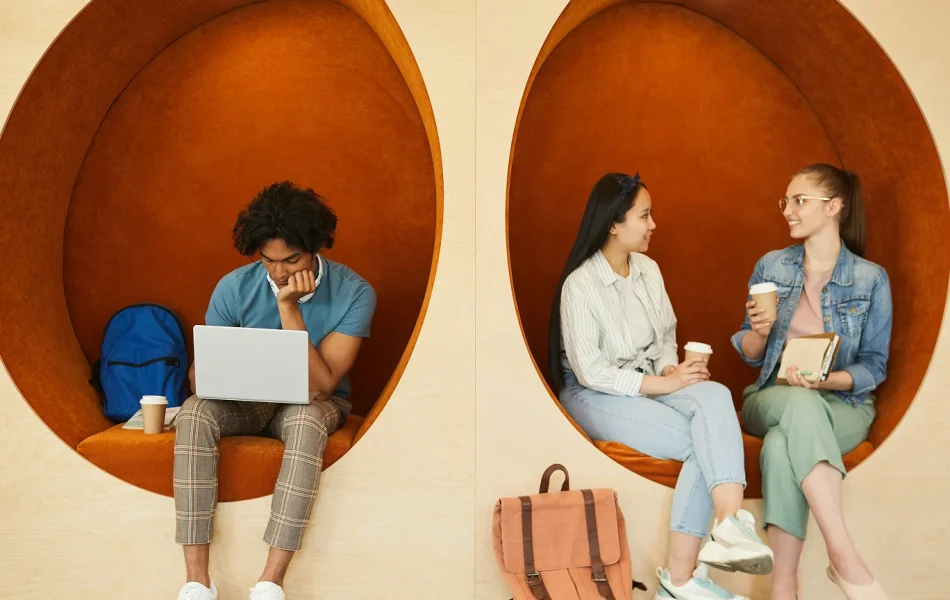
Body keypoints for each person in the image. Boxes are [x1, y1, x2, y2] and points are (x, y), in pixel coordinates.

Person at [549, 172, 772, 600]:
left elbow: (666, 334)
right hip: (594, 393)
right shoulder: (580, 285)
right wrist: (662, 384)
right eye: (645, 215)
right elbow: (592, 372)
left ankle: (730, 523)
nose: (653, 225)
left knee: (716, 392)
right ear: (614, 223)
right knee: (696, 442)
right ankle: (680, 580)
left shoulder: (648, 270)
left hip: (650, 381)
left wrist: (672, 370)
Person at [174, 181, 377, 600]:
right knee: (194, 411)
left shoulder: (356, 292)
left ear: (317, 248)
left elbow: (322, 385)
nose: (280, 272)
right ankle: (197, 581)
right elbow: (201, 380)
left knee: (305, 418)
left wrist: (289, 307)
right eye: (268, 261)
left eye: (291, 259)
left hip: (311, 404)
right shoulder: (233, 286)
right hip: (246, 404)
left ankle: (270, 581)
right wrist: (212, 373)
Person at [733, 164, 891, 600]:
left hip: (844, 406)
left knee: (783, 445)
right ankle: (844, 557)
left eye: (799, 200)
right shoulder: (772, 266)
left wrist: (825, 382)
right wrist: (759, 333)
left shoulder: (870, 279)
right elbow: (748, 354)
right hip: (771, 397)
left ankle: (783, 588)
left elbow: (874, 367)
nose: (788, 210)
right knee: (797, 409)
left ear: (834, 207)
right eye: (785, 201)